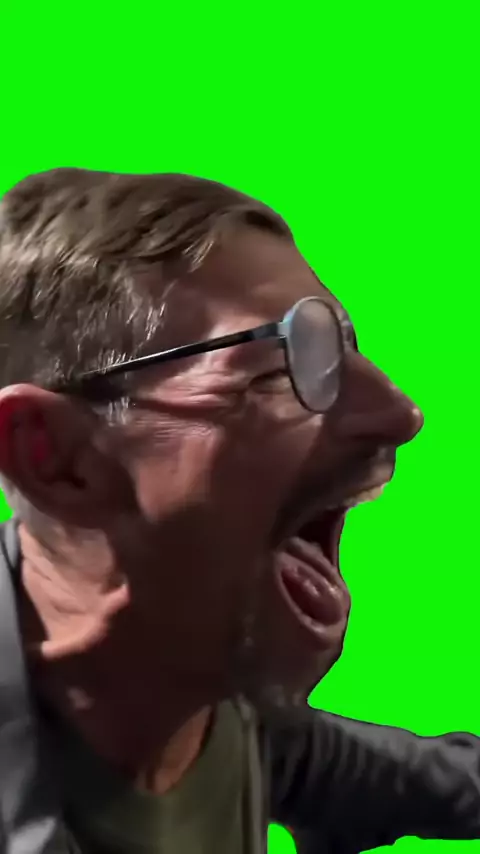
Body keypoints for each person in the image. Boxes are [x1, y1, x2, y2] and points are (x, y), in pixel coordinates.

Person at [0, 168, 478, 854]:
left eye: (338, 350)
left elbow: (413, 779)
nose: (398, 414)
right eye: (282, 369)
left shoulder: (206, 690)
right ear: (57, 459)